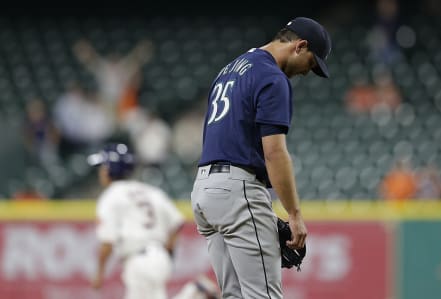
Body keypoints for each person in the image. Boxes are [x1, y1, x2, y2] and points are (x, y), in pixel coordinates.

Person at [190, 17, 331, 298]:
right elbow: (275, 152)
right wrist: (294, 214)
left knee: (235, 295)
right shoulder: (271, 76)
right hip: (237, 191)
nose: (307, 72)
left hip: (204, 191)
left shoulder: (229, 69)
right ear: (300, 46)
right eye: (311, 64)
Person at [87, 143, 185, 299]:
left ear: (109, 169)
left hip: (139, 261)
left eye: (103, 166)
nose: (101, 171)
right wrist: (167, 252)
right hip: (159, 257)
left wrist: (99, 272)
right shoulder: (150, 190)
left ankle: (195, 294)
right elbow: (177, 222)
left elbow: (107, 241)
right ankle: (194, 293)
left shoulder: (111, 196)